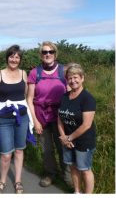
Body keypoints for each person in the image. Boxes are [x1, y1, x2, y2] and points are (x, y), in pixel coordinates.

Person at [0, 45, 35, 194]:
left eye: (17, 57)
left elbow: (26, 97)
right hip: (4, 119)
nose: (14, 59)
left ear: (20, 60)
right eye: (12, 56)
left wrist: (32, 117)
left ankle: (18, 181)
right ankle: (2, 181)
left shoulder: (23, 74)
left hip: (21, 117)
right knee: (6, 154)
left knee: (19, 151)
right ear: (7, 57)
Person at [27, 41, 69, 187]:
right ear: (41, 55)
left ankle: (67, 175)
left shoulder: (63, 71)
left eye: (50, 52)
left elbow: (70, 94)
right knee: (46, 149)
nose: (48, 54)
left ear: (55, 54)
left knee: (63, 145)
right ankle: (50, 173)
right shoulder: (34, 73)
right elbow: (29, 99)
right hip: (41, 115)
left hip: (60, 116)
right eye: (44, 52)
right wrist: (35, 121)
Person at [58, 63, 96, 193]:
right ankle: (77, 192)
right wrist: (63, 137)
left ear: (82, 78)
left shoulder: (88, 99)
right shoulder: (64, 97)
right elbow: (59, 118)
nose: (73, 81)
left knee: (85, 169)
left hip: (83, 141)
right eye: (70, 78)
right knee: (73, 167)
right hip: (67, 140)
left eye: (75, 77)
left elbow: (86, 125)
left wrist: (69, 138)